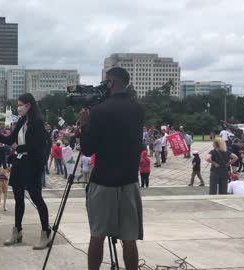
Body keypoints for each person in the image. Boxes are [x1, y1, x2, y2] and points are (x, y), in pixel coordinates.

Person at [80, 67, 144, 270]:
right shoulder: (137, 108)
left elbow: (88, 149)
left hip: (103, 181)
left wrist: (84, 125)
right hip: (129, 180)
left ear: (112, 83)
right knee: (129, 238)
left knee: (97, 236)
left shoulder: (99, 111)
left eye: (106, 82)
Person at [0, 93, 51, 250]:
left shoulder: (37, 122)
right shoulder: (23, 120)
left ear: (28, 105)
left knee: (37, 198)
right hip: (20, 163)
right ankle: (17, 231)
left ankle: (45, 232)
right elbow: (10, 139)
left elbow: (35, 146)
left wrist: (18, 148)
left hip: (32, 164)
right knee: (18, 198)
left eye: (20, 104)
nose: (19, 108)